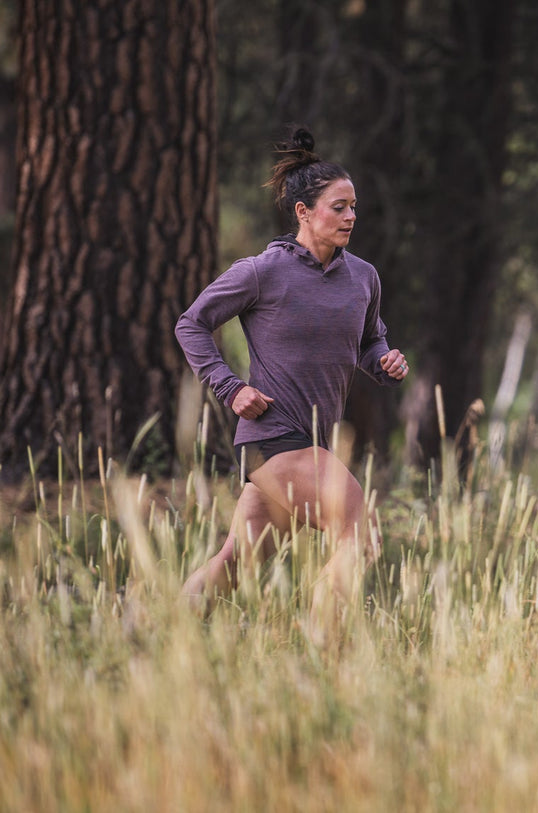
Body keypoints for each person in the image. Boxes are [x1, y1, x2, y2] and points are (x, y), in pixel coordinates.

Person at [176, 127, 407, 628]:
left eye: (353, 207)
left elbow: (370, 342)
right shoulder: (263, 271)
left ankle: (152, 629)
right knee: (360, 534)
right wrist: (230, 387)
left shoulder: (363, 277)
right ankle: (321, 648)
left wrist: (385, 361)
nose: (350, 217)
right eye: (337, 207)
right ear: (303, 212)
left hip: (317, 439)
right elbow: (191, 323)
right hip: (275, 437)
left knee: (236, 564)